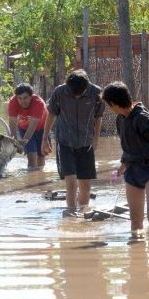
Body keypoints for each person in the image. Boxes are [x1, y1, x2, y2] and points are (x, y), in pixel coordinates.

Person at [102, 81, 149, 235]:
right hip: (132, 172)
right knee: (135, 218)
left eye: (109, 105)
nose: (109, 109)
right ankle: (137, 252)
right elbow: (129, 146)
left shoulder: (142, 118)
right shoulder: (120, 119)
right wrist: (122, 167)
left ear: (115, 103)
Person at [42, 69, 104, 213]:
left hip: (86, 142)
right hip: (65, 142)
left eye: (80, 94)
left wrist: (96, 139)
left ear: (87, 87)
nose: (76, 96)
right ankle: (70, 213)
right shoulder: (59, 92)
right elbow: (51, 114)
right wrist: (45, 139)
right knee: (70, 182)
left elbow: (98, 117)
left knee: (85, 184)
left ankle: (82, 213)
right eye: (73, 94)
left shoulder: (96, 93)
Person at [8, 83, 48, 170]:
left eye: (25, 98)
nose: (22, 101)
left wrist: (22, 144)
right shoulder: (13, 102)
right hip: (24, 128)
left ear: (31, 96)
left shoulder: (38, 103)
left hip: (42, 128)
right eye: (20, 98)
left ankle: (40, 177)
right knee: (31, 156)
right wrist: (15, 142)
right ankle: (30, 177)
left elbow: (32, 127)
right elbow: (12, 123)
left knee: (41, 157)